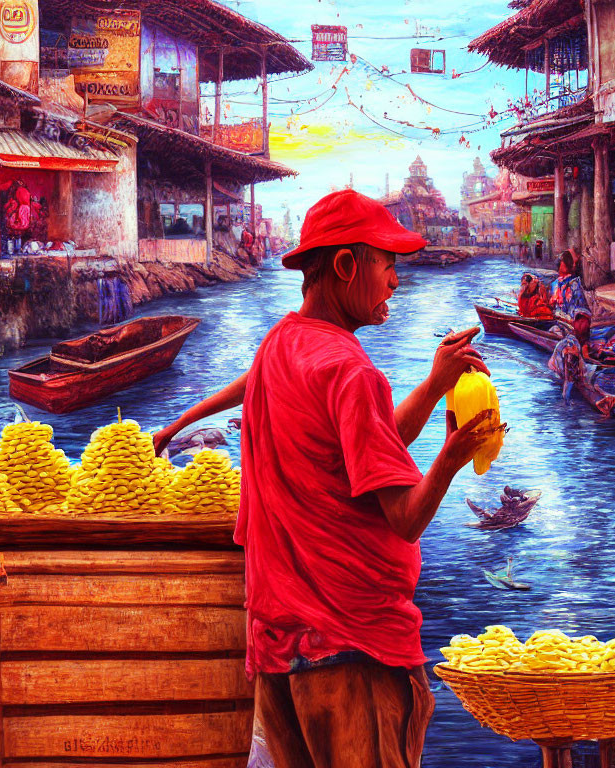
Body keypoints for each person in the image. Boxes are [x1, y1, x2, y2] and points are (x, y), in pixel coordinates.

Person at [153, 189, 498, 768]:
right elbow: (405, 518)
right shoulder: (351, 370)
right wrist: (452, 454)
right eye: (387, 263)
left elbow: (370, 445)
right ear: (345, 267)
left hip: (278, 651)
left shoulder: (282, 345)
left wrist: (436, 382)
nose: (395, 281)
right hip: (352, 651)